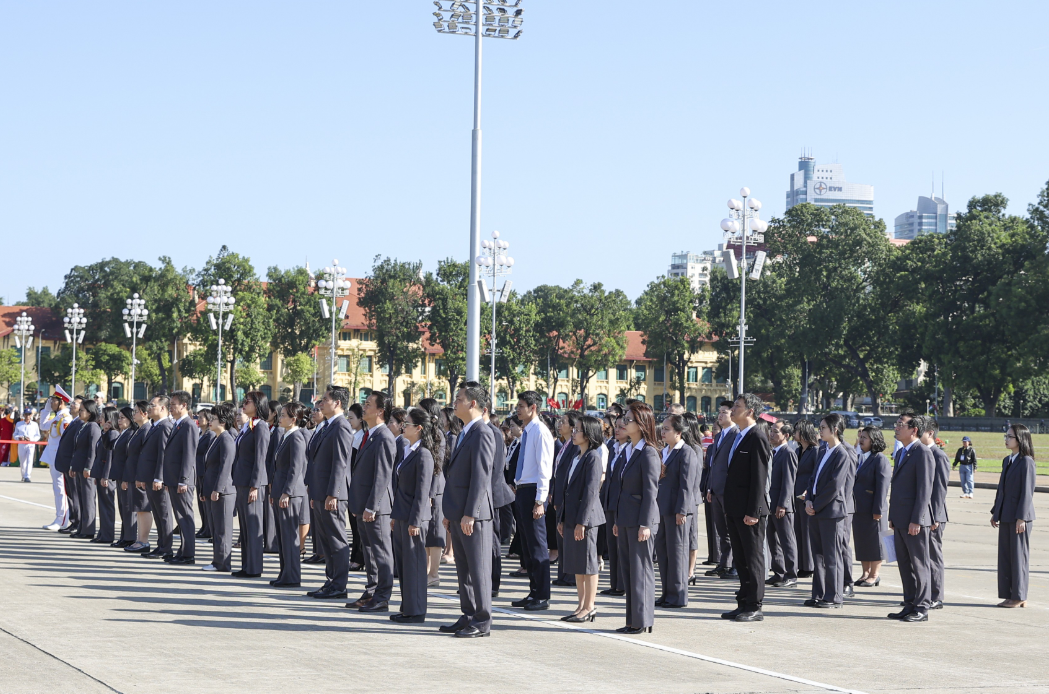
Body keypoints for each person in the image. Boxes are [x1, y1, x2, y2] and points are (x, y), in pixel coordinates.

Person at [439, 382, 496, 638]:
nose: (455, 402)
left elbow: (481, 477)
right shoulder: (464, 432)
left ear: (473, 403)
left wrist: (470, 513)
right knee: (464, 569)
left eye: (459, 398)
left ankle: (482, 620)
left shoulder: (482, 432)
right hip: (459, 513)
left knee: (478, 569)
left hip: (474, 515)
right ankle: (469, 613)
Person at [721, 393, 771, 622]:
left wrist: (753, 511)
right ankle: (743, 602)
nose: (732, 410)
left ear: (750, 411)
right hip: (734, 509)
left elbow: (759, 479)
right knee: (740, 559)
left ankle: (754, 605)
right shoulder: (738, 436)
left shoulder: (757, 437)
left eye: (737, 407)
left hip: (749, 512)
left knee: (752, 558)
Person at [613, 401, 660, 634]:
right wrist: (617, 521)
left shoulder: (648, 452)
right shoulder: (628, 450)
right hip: (626, 519)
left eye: (629, 420)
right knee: (629, 572)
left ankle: (642, 620)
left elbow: (651, 492)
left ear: (641, 425)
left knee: (641, 571)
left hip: (641, 521)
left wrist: (645, 524)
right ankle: (632, 619)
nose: (623, 422)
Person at [347, 390, 397, 612]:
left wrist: (371, 506)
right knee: (369, 551)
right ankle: (372, 591)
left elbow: (382, 475)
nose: (363, 407)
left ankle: (383, 596)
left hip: (376, 507)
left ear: (380, 411)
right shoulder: (370, 435)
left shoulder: (384, 437)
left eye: (368, 404)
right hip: (364, 505)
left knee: (381, 552)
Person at [306, 386, 354, 600]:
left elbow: (340, 462)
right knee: (326, 539)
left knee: (336, 539)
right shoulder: (326, 425)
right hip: (320, 491)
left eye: (325, 399)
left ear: (337, 403)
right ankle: (331, 580)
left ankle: (339, 585)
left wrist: (333, 494)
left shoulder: (341, 426)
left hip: (332, 494)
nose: (321, 403)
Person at [390, 407, 436, 623]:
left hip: (413, 518)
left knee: (414, 566)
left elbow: (422, 490)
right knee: (404, 565)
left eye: (406, 424)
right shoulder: (408, 449)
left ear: (418, 428)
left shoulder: (424, 454)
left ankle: (416, 610)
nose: (402, 426)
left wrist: (415, 520)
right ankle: (407, 607)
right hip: (401, 514)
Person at [887, 412, 935, 622]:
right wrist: (892, 516)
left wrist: (917, 519)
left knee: (919, 564)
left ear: (914, 430)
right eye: (896, 424)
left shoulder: (922, 452)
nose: (896, 427)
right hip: (900, 518)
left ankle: (922, 607)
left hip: (914, 521)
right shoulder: (902, 453)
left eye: (901, 425)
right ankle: (909, 604)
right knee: (905, 564)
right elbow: (897, 488)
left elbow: (924, 490)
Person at [804, 413, 854, 609]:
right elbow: (813, 479)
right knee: (818, 555)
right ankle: (819, 594)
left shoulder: (842, 454)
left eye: (823, 427)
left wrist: (816, 505)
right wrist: (808, 499)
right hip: (816, 509)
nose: (820, 430)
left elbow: (834, 486)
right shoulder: (824, 450)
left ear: (834, 430)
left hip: (831, 512)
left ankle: (834, 597)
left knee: (832, 556)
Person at [558, 414, 604, 622]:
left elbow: (590, 492)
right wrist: (562, 518)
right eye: (574, 429)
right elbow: (568, 489)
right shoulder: (576, 456)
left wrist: (581, 522)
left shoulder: (593, 457)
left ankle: (590, 606)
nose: (574, 433)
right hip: (572, 517)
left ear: (589, 433)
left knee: (588, 564)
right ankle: (580, 605)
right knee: (578, 564)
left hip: (586, 519)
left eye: (578, 430)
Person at [510, 391, 554, 610]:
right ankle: (533, 591)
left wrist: (539, 501)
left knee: (537, 546)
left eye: (521, 406)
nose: (518, 409)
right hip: (523, 490)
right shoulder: (527, 431)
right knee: (527, 546)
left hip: (534, 491)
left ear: (533, 407)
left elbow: (544, 468)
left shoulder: (541, 432)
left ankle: (542, 595)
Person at [654, 414, 697, 608]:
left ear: (679, 432)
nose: (663, 432)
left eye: (667, 429)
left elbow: (686, 485)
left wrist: (682, 510)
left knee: (677, 553)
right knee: (663, 552)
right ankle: (666, 593)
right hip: (662, 508)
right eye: (662, 428)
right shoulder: (665, 451)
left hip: (676, 511)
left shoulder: (686, 452)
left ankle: (678, 596)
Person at [991, 423, 1036, 608]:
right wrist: (996, 511)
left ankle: (1019, 596)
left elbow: (1027, 492)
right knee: (1007, 557)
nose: (1006, 439)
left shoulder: (1026, 461)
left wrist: (1022, 517)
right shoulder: (1007, 460)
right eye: (1006, 436)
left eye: (1010, 437)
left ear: (1020, 439)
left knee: (1018, 557)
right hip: (1006, 515)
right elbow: (1001, 489)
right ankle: (1010, 594)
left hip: (1019, 517)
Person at [232, 391, 271, 578]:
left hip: (251, 484)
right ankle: (246, 565)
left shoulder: (261, 427)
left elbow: (260, 458)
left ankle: (254, 567)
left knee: (253, 526)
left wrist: (255, 485)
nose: (243, 404)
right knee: (245, 526)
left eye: (248, 401)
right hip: (241, 482)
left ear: (257, 404)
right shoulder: (248, 425)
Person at [271, 402, 310, 587]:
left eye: (284, 415)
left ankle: (292, 576)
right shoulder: (285, 436)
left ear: (293, 419)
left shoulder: (296, 438)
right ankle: (284, 573)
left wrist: (286, 492)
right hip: (281, 491)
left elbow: (296, 469)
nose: (281, 417)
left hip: (291, 494)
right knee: (282, 536)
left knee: (289, 536)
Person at [162, 392, 198, 565]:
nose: (171, 407)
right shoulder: (177, 424)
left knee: (185, 516)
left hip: (182, 480)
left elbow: (189, 455)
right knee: (180, 517)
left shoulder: (188, 425)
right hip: (174, 479)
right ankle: (182, 550)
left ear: (184, 405)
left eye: (174, 404)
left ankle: (188, 554)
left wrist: (184, 479)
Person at [852, 426, 890, 588]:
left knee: (876, 542)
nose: (861, 439)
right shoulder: (861, 457)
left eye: (865, 437)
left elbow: (882, 486)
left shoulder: (880, 459)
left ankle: (875, 575)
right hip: (859, 508)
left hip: (874, 509)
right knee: (862, 541)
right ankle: (865, 573)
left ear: (874, 440)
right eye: (861, 436)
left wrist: (878, 510)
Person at [202, 403, 238, 573]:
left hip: (223, 491)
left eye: (214, 418)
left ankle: (223, 563)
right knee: (216, 528)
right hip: (213, 490)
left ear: (223, 421)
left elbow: (225, 467)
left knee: (223, 529)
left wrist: (218, 489)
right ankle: (217, 560)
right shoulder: (216, 438)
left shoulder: (226, 439)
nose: (210, 421)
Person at [139, 396, 175, 560]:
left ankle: (166, 547)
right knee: (157, 513)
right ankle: (161, 545)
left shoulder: (165, 426)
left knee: (164, 513)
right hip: (150, 477)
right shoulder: (156, 426)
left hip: (157, 478)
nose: (149, 408)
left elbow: (163, 455)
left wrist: (159, 478)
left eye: (152, 405)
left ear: (162, 408)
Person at [919, 416, 950, 609]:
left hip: (934, 516)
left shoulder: (939, 456)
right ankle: (924, 593)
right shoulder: (919, 453)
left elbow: (940, 489)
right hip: (922, 514)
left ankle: (936, 595)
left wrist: (935, 516)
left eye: (919, 430)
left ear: (930, 433)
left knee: (933, 555)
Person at [704, 404, 738, 579]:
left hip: (728, 490)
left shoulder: (736, 435)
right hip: (716, 489)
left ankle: (734, 565)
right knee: (722, 531)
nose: (720, 415)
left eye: (724, 412)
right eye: (719, 412)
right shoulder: (719, 436)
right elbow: (713, 465)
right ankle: (724, 563)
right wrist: (709, 487)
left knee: (731, 530)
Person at [418, 398, 448, 587]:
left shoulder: (438, 435)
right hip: (426, 488)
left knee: (436, 534)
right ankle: (427, 571)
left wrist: (430, 493)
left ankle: (434, 573)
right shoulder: (425, 434)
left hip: (435, 490)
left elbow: (437, 468)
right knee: (428, 534)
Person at [599, 412, 629, 597]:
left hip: (622, 503)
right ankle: (615, 583)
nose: (617, 430)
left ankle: (622, 584)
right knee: (612, 544)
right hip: (610, 501)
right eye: (616, 427)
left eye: (621, 427)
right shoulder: (613, 447)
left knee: (621, 545)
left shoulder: (631, 450)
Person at [766, 421, 798, 588]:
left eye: (775, 431)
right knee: (773, 540)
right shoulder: (773, 452)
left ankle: (791, 574)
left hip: (781, 505)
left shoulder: (788, 453)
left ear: (786, 435)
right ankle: (778, 572)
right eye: (771, 431)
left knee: (787, 541)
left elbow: (788, 482)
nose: (771, 434)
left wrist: (783, 504)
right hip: (770, 504)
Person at [551, 411, 581, 588]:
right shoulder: (565, 445)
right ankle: (563, 573)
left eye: (563, 422)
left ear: (572, 426)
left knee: (568, 538)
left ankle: (570, 575)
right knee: (561, 536)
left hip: (568, 498)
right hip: (559, 497)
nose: (560, 425)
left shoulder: (575, 446)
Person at [38, 394, 74, 530]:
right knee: (57, 489)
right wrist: (46, 410)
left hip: (60, 459)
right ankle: (59, 517)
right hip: (53, 458)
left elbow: (66, 442)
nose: (51, 402)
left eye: (53, 401)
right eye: (51, 400)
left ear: (62, 402)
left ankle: (62, 520)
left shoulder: (65, 418)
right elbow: (43, 426)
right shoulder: (58, 417)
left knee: (61, 489)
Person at [123, 402, 154, 554]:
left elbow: (145, 456)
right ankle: (139, 539)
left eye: (136, 411)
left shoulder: (147, 429)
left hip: (140, 475)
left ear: (144, 413)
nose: (133, 414)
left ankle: (144, 540)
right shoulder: (139, 429)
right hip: (134, 474)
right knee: (138, 508)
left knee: (143, 507)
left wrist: (141, 475)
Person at [70, 400, 102, 539]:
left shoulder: (93, 427)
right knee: (81, 498)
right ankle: (82, 527)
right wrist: (73, 465)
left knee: (88, 499)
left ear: (90, 412)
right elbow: (77, 448)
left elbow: (93, 450)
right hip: (78, 466)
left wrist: (88, 467)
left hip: (86, 468)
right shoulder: (83, 425)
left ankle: (88, 529)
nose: (80, 412)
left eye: (82, 410)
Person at [90, 407, 120, 544]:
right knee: (102, 505)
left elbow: (110, 456)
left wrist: (106, 476)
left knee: (107, 505)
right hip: (100, 473)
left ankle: (107, 534)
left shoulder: (113, 433)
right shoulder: (106, 432)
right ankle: (102, 533)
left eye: (103, 416)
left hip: (106, 474)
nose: (100, 418)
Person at [793, 420, 818, 579]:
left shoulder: (815, 451)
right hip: (795, 496)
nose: (794, 433)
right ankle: (801, 564)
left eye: (796, 431)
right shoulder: (797, 451)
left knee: (807, 531)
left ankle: (809, 566)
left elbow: (816, 475)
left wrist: (808, 493)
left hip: (807, 496)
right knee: (798, 531)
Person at [110, 407, 138, 547]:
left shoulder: (131, 433)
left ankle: (130, 537)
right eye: (119, 418)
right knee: (123, 507)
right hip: (120, 474)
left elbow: (130, 458)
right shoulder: (123, 433)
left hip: (126, 475)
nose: (119, 420)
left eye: (122, 418)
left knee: (128, 507)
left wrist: (127, 478)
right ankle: (124, 536)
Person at [346, 402, 366, 571]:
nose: (349, 420)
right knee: (354, 526)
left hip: (358, 485)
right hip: (352, 484)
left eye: (352, 418)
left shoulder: (362, 437)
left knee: (359, 528)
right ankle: (356, 556)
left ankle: (359, 558)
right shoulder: (354, 435)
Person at [699, 421, 721, 568]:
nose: (714, 432)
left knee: (718, 526)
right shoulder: (712, 447)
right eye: (713, 429)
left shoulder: (725, 447)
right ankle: (713, 555)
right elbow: (707, 469)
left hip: (718, 490)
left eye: (717, 429)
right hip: (709, 488)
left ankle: (720, 557)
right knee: (710, 524)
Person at [263, 403, 284, 555]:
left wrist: (270, 478)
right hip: (266, 473)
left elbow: (274, 459)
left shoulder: (277, 431)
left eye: (268, 411)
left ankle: (271, 543)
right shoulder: (268, 429)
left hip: (271, 475)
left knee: (270, 512)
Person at [194, 409, 216, 540]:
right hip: (198, 471)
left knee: (205, 501)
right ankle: (204, 526)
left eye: (202, 417)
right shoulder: (200, 434)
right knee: (200, 501)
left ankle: (208, 527)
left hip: (204, 471)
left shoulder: (210, 435)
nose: (199, 418)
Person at [14, 408, 40, 482]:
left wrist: (31, 439)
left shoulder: (34, 424)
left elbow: (37, 435)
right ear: (24, 415)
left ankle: (27, 476)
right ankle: (23, 475)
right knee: (22, 461)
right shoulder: (19, 424)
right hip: (22, 444)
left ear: (31, 415)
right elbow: (15, 434)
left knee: (30, 460)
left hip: (30, 444)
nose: (27, 416)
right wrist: (19, 438)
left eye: (29, 414)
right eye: (26, 414)